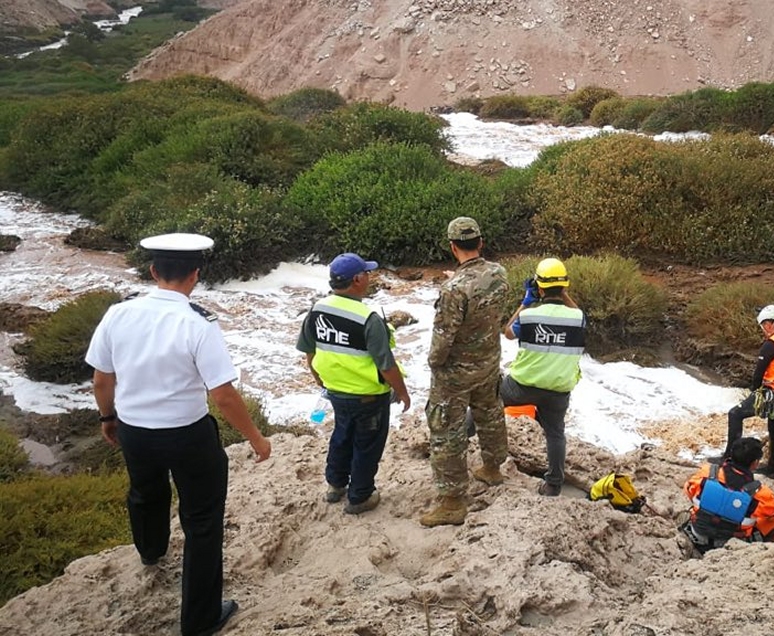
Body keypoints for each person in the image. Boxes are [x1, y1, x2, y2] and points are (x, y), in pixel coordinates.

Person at [85, 233, 272, 636]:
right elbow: (222, 394)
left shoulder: (118, 314)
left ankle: (151, 552)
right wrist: (256, 438)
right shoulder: (198, 323)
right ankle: (200, 620)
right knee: (202, 522)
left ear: (153, 271)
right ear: (195, 276)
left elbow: (102, 378)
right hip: (188, 435)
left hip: (134, 430)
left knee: (145, 492)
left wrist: (108, 418)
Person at [296, 253, 410, 515]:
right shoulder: (368, 318)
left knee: (341, 436)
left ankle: (335, 485)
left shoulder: (316, 310)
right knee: (367, 445)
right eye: (367, 273)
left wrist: (320, 382)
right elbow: (386, 364)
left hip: (336, 391)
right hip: (369, 396)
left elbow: (309, 352)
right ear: (357, 280)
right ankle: (360, 497)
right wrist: (402, 393)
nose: (370, 277)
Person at [421, 217, 510, 527]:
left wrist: (434, 363)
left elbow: (442, 339)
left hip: (456, 373)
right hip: (488, 363)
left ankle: (453, 501)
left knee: (446, 431)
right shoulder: (499, 274)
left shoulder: (453, 289)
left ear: (452, 246)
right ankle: (493, 468)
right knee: (490, 413)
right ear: (480, 243)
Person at [501, 258, 586, 496]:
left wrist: (525, 302)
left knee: (486, 403)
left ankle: (460, 442)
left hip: (522, 385)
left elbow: (507, 332)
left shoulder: (529, 316)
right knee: (555, 433)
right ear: (565, 287)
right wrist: (564, 295)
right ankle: (553, 485)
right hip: (558, 389)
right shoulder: (577, 318)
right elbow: (578, 312)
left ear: (538, 287)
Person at [724, 304, 774, 479]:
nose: (763, 330)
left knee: (735, 414)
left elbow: (758, 372)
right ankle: (772, 469)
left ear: (769, 323)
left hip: (772, 392)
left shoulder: (772, 344)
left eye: (762, 326)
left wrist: (755, 392)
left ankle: (729, 458)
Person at [680, 437, 774, 554]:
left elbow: (688, 490)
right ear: (755, 463)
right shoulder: (760, 494)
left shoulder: (707, 473)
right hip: (731, 543)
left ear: (731, 455)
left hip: (697, 534)